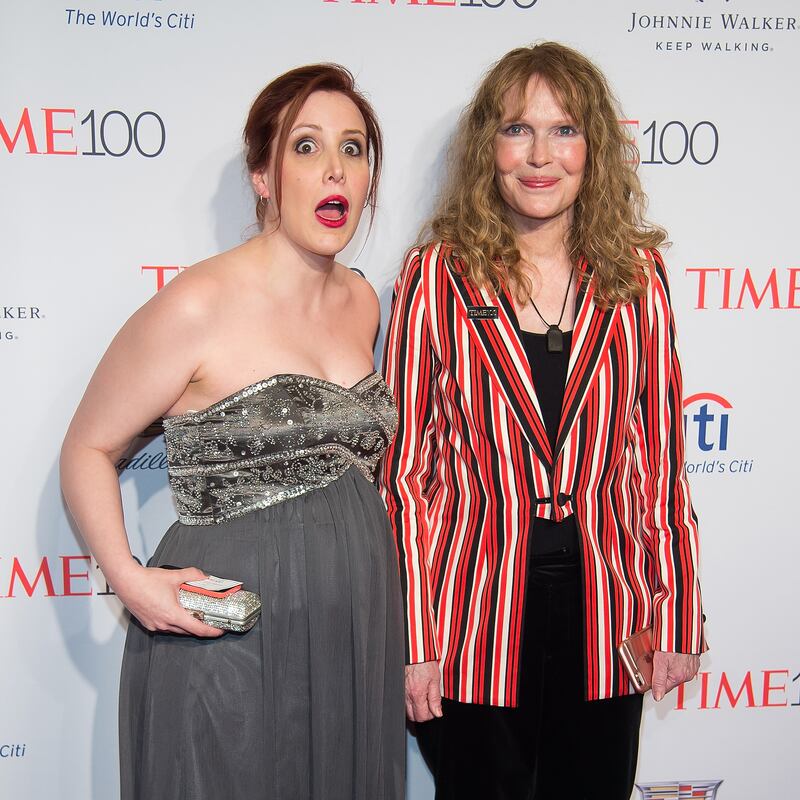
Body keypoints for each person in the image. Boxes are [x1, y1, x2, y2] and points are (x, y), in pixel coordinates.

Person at [60, 64, 405, 800]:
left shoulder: (362, 303)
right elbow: (87, 447)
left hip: (353, 635)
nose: (335, 169)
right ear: (262, 175)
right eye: (306, 147)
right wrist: (128, 579)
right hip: (233, 642)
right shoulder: (198, 304)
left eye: (354, 148)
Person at [379, 42, 706, 800]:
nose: (540, 155)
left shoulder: (637, 277)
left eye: (564, 131)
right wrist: (417, 639)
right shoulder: (437, 277)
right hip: (474, 618)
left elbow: (656, 463)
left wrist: (679, 614)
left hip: (608, 614)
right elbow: (404, 475)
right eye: (517, 129)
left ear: (594, 149)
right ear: (487, 148)